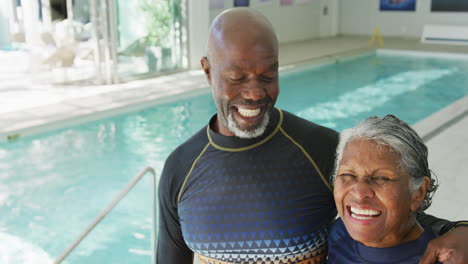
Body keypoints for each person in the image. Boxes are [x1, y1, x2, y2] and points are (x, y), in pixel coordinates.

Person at [157, 7, 468, 264]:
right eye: (236, 78)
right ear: (208, 70)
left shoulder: (319, 148)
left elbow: (384, 206)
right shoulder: (181, 169)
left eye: (268, 76)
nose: (254, 93)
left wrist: (460, 230)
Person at [327, 115, 440, 263]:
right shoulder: (339, 232)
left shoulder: (444, 258)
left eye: (381, 178)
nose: (359, 193)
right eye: (348, 174)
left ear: (418, 192)